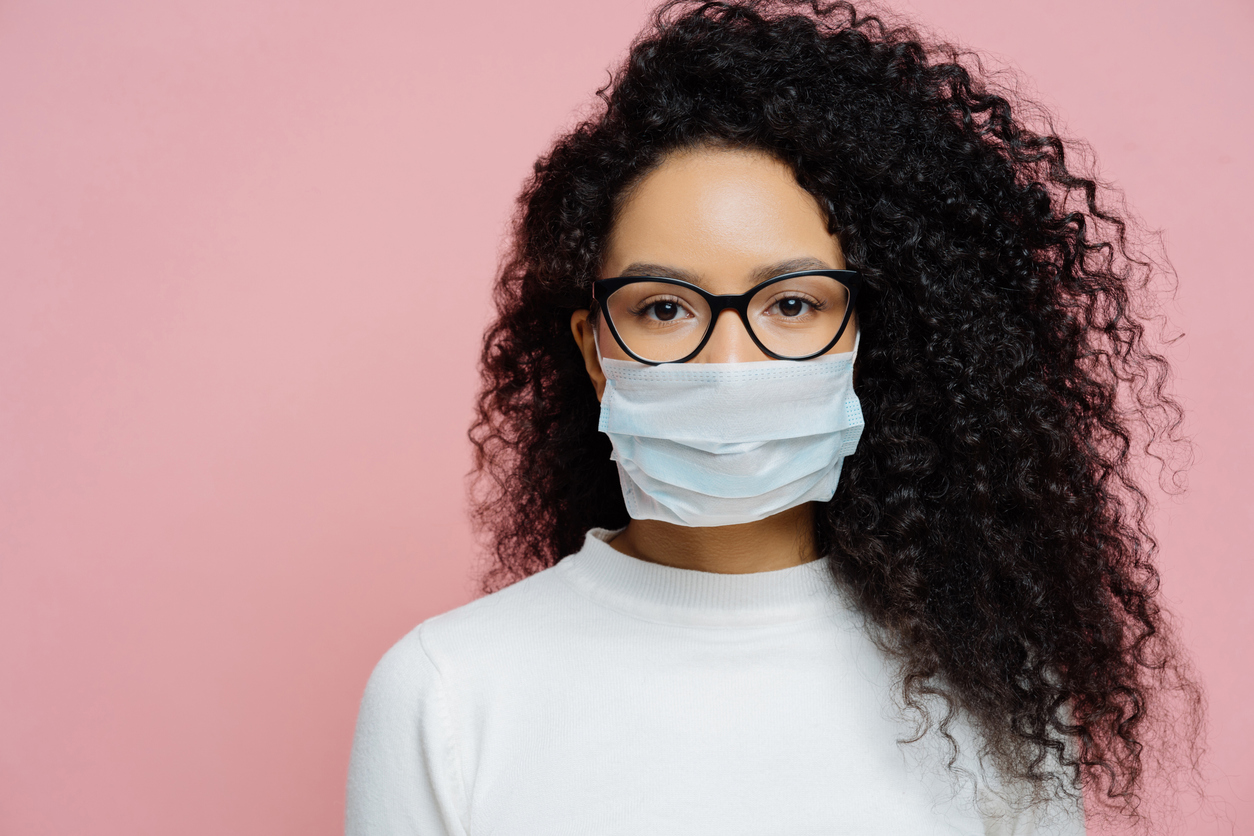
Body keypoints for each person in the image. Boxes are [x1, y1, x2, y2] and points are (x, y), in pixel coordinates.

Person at [345, 2, 1200, 833]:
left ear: (871, 337)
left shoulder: (991, 688)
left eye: (791, 304)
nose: (728, 369)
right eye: (663, 308)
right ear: (595, 349)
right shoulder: (446, 693)